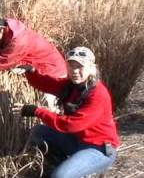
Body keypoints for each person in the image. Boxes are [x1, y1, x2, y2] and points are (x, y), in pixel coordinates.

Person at [13, 47, 120, 178]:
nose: (74, 71)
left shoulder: (98, 95)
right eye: (71, 66)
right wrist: (31, 71)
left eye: (80, 66)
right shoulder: (71, 86)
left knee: (60, 176)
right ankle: (66, 165)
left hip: (99, 149)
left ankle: (73, 170)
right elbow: (47, 83)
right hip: (76, 141)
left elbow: (71, 125)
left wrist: (37, 111)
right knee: (38, 132)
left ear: (92, 68)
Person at [0, 15, 67, 92]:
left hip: (53, 73)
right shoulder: (4, 27)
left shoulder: (18, 42)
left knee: (46, 109)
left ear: (2, 29)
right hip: (36, 68)